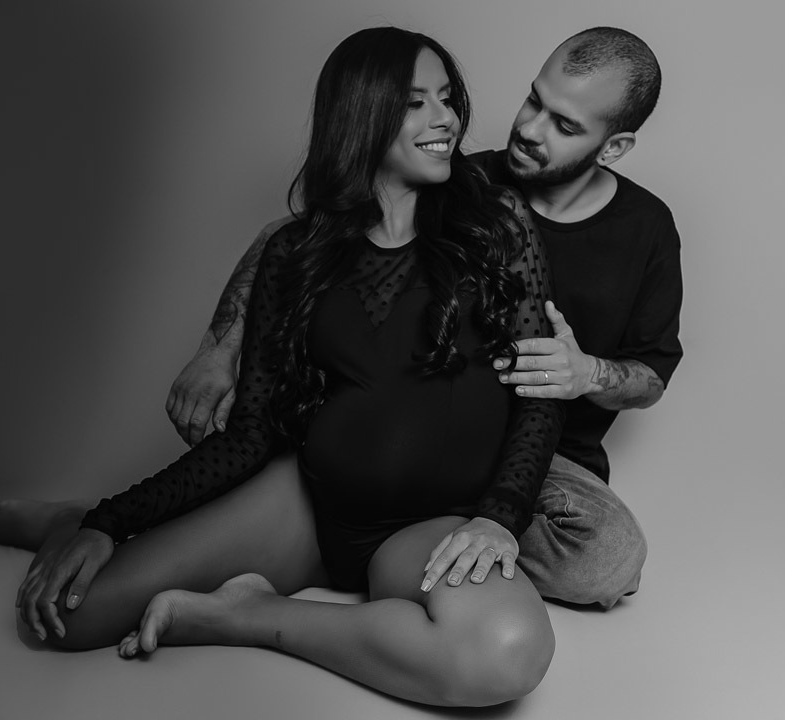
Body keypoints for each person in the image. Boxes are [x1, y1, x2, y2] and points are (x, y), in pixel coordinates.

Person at [0, 27, 564, 707]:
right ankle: (73, 521)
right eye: (414, 102)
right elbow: (251, 433)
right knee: (67, 618)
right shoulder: (295, 253)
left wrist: (497, 518)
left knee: (503, 655)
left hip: (427, 530)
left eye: (447, 98)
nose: (446, 119)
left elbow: (541, 396)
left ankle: (246, 615)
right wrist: (107, 521)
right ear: (362, 113)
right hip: (305, 509)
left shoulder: (496, 226)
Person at [165, 27, 684, 609]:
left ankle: (425, 534)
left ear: (613, 148)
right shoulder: (459, 178)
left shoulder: (647, 228)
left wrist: (586, 373)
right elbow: (296, 239)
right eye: (534, 100)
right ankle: (351, 516)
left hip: (538, 448)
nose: (530, 129)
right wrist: (218, 350)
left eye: (564, 125)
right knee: (248, 416)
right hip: (406, 416)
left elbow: (652, 376)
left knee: (609, 558)